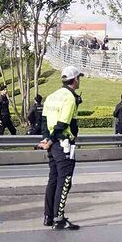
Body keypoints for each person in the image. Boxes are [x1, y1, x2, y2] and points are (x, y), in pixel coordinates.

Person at [38, 66, 84, 230]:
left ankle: (48, 217)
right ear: (75, 79)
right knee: (64, 181)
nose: (80, 81)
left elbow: (43, 121)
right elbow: (63, 123)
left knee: (53, 179)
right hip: (63, 143)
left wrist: (46, 138)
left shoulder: (51, 96)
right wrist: (51, 140)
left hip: (52, 143)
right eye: (79, 78)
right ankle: (59, 219)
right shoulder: (69, 98)